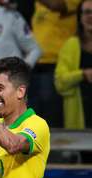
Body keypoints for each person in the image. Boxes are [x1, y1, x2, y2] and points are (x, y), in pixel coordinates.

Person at [30, 0, 81, 128]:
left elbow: (57, 5)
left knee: (51, 115)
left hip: (56, 63)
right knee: (34, 115)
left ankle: (55, 147)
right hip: (35, 64)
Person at [55, 0, 92, 129]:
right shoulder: (71, 45)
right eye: (87, 12)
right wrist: (83, 74)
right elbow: (60, 82)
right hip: (79, 119)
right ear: (80, 17)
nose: (90, 16)